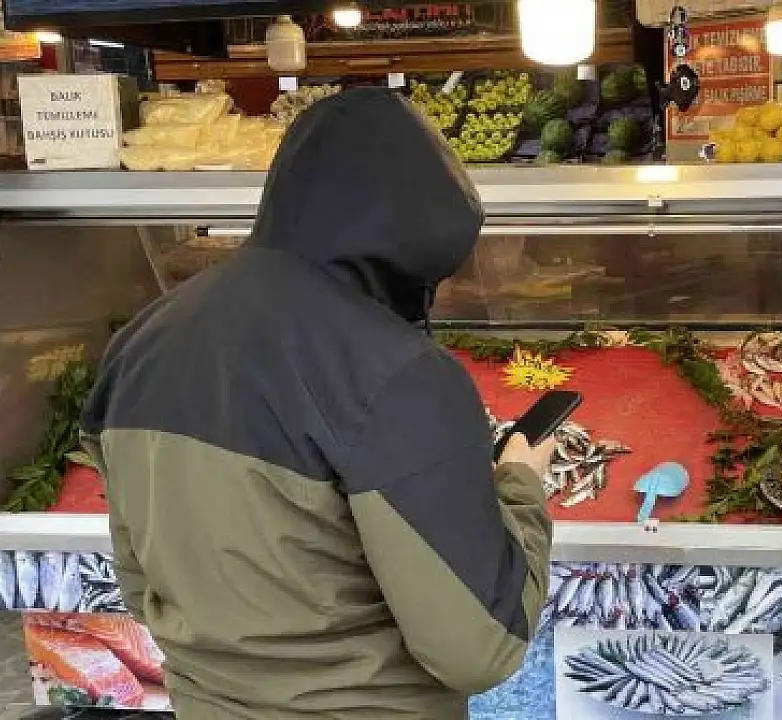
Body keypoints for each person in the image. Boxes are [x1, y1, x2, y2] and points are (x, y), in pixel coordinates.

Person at [80, 88, 554, 718]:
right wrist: (521, 487)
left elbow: (140, 584)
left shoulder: (140, 341)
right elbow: (478, 647)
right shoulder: (398, 374)